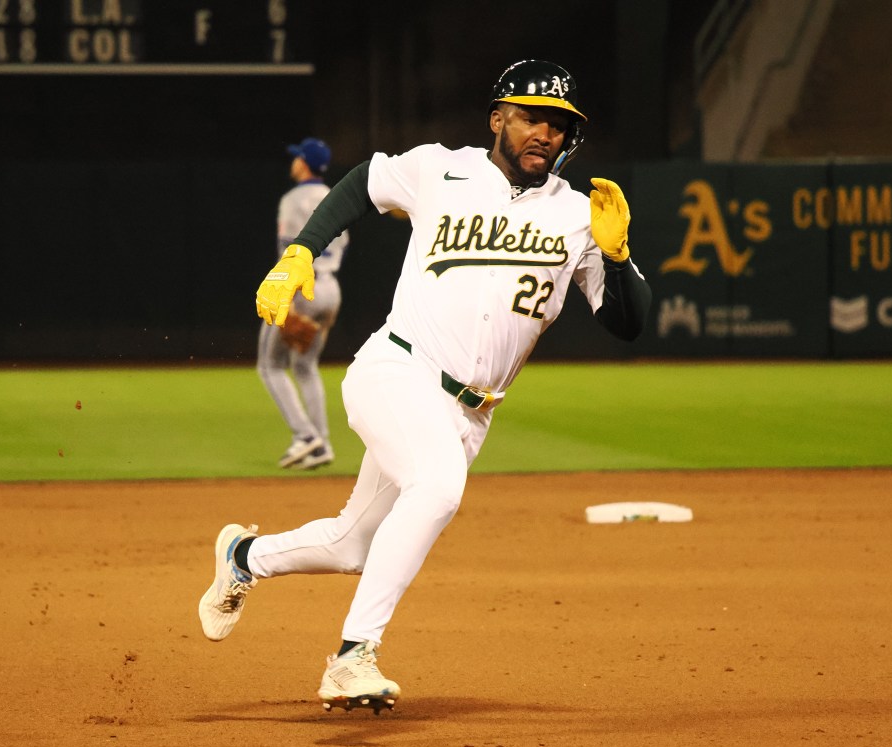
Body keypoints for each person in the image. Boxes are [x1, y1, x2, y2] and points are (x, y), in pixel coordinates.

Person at [200, 60, 652, 713]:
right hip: (397, 369)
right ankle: (353, 657)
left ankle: (244, 555)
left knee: (355, 542)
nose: (545, 134)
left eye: (559, 125)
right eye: (531, 117)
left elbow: (627, 323)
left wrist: (616, 255)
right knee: (437, 486)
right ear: (498, 118)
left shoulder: (580, 217)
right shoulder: (441, 168)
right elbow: (362, 183)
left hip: (469, 415)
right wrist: (301, 249)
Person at [256, 137, 349, 470]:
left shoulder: (292, 199)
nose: (293, 162)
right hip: (330, 289)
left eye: (297, 157)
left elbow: (289, 251)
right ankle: (321, 442)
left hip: (301, 288)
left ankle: (306, 436)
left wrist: (289, 300)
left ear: (305, 163)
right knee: (306, 367)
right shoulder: (334, 197)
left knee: (270, 366)